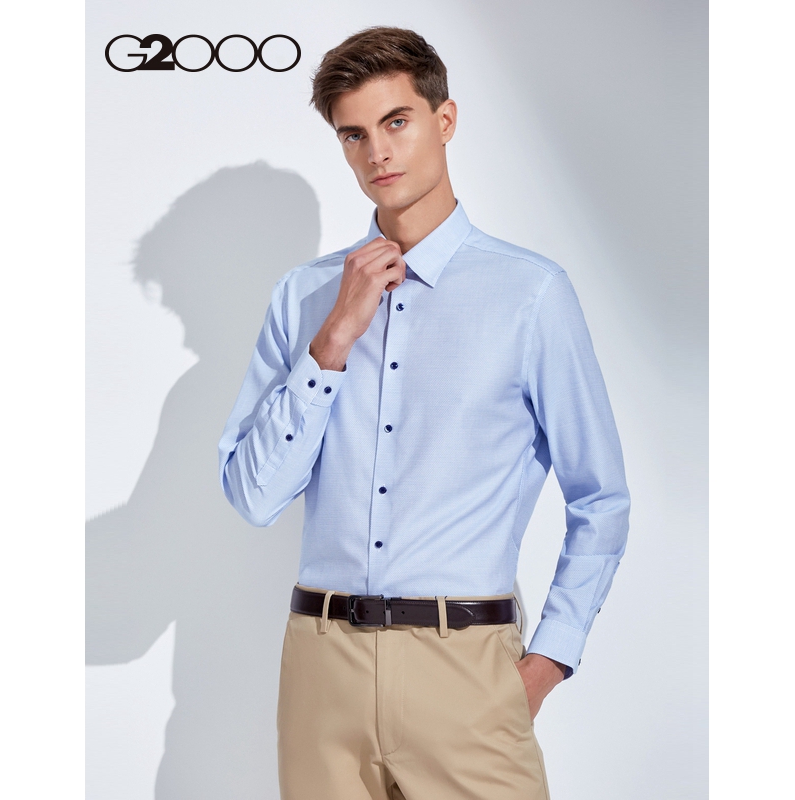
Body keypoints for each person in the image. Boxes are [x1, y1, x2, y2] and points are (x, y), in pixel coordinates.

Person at [218, 26, 630, 800]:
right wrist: (333, 341)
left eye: (397, 121)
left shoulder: (530, 293)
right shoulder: (304, 297)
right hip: (321, 668)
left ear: (444, 120)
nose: (378, 152)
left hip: (464, 670)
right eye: (354, 134)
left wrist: (549, 660)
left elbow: (600, 497)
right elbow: (253, 495)